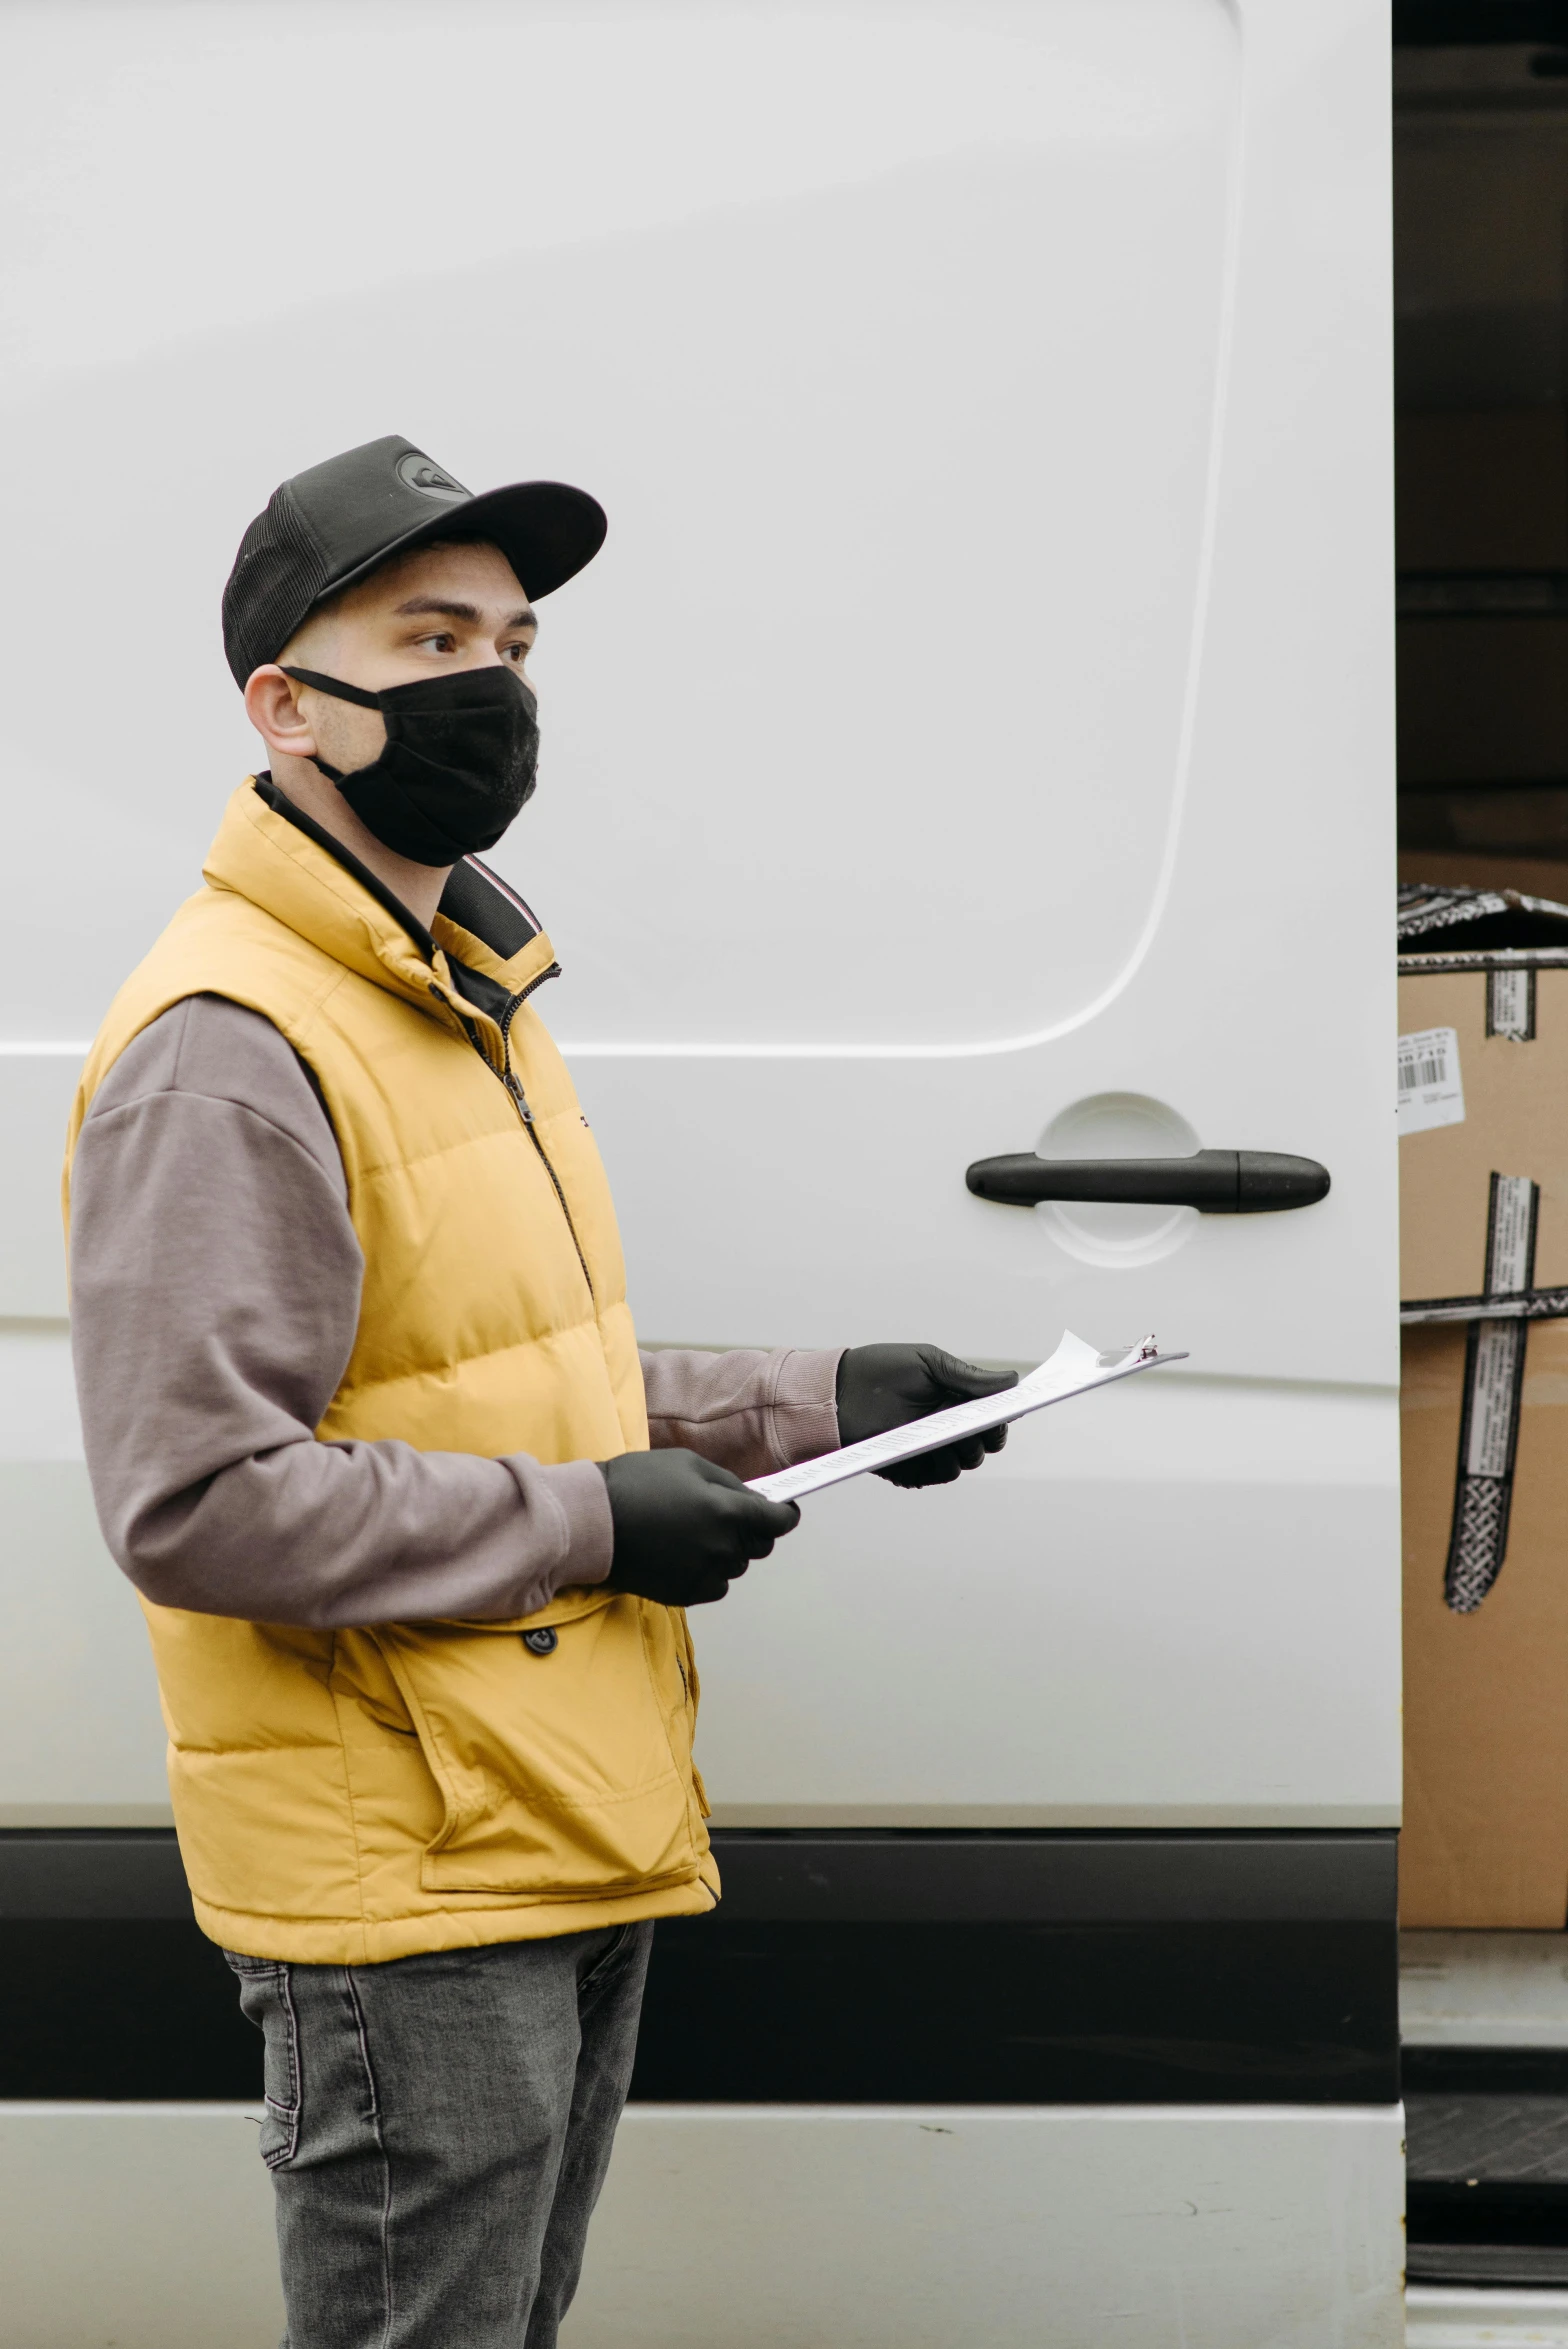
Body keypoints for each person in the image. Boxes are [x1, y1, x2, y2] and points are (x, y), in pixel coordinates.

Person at [63, 435, 1016, 2349]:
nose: (489, 688)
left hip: (534, 1813)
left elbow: (487, 1376)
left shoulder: (452, 989)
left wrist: (816, 1402)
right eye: (428, 639)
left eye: (510, 640)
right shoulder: (232, 1041)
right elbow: (199, 1501)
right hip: (405, 1863)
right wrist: (597, 1522)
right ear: (288, 708)